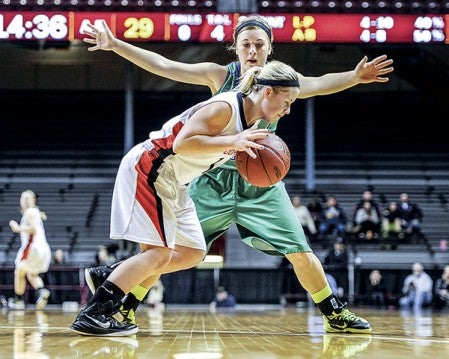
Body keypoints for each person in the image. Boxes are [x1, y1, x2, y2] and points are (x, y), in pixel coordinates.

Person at [81, 14, 393, 334]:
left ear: (270, 48)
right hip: (212, 179)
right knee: (167, 251)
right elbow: (165, 66)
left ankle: (334, 312)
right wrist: (116, 45)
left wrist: (355, 76)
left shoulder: (281, 83)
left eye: (259, 45)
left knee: (300, 250)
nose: (253, 51)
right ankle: (125, 303)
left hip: (260, 184)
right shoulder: (220, 77)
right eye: (246, 45)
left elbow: (320, 83)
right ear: (236, 48)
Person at [70, 60, 302, 336]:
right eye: (286, 102)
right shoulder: (226, 108)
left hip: (175, 182)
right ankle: (95, 313)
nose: (287, 111)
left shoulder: (252, 122)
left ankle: (109, 276)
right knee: (158, 253)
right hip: (151, 168)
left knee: (192, 252)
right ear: (268, 93)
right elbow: (182, 144)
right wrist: (232, 142)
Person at [7, 190, 52, 310]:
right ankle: (41, 291)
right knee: (31, 274)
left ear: (33, 200)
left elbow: (32, 229)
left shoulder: (30, 211)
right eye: (23, 198)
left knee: (19, 272)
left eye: (28, 198)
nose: (25, 200)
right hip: (44, 250)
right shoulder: (35, 212)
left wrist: (17, 228)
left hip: (33, 248)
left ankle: (18, 301)